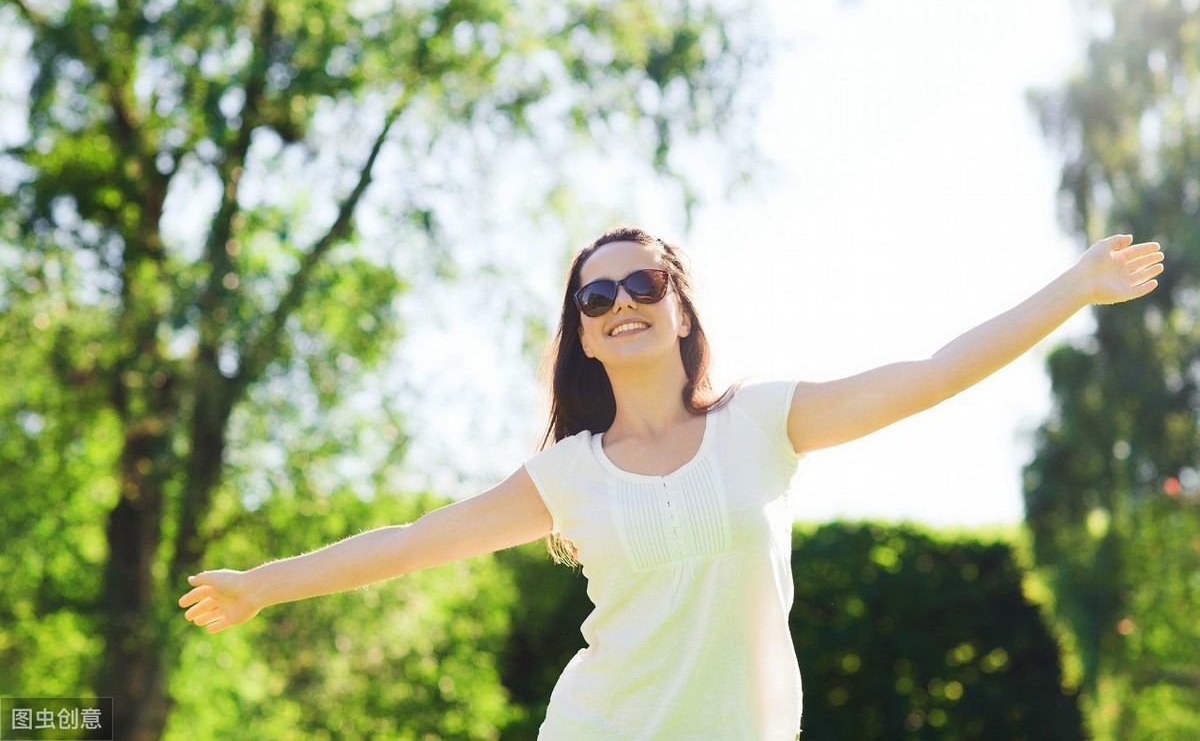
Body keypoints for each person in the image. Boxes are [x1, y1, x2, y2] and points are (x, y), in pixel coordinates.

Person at [179, 226, 1164, 739]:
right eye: (596, 296)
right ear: (583, 331)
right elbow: (406, 541)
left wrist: (1072, 287)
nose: (620, 303)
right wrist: (263, 582)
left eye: (643, 283)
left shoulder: (765, 421)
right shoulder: (565, 475)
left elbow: (931, 373)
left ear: (681, 308)